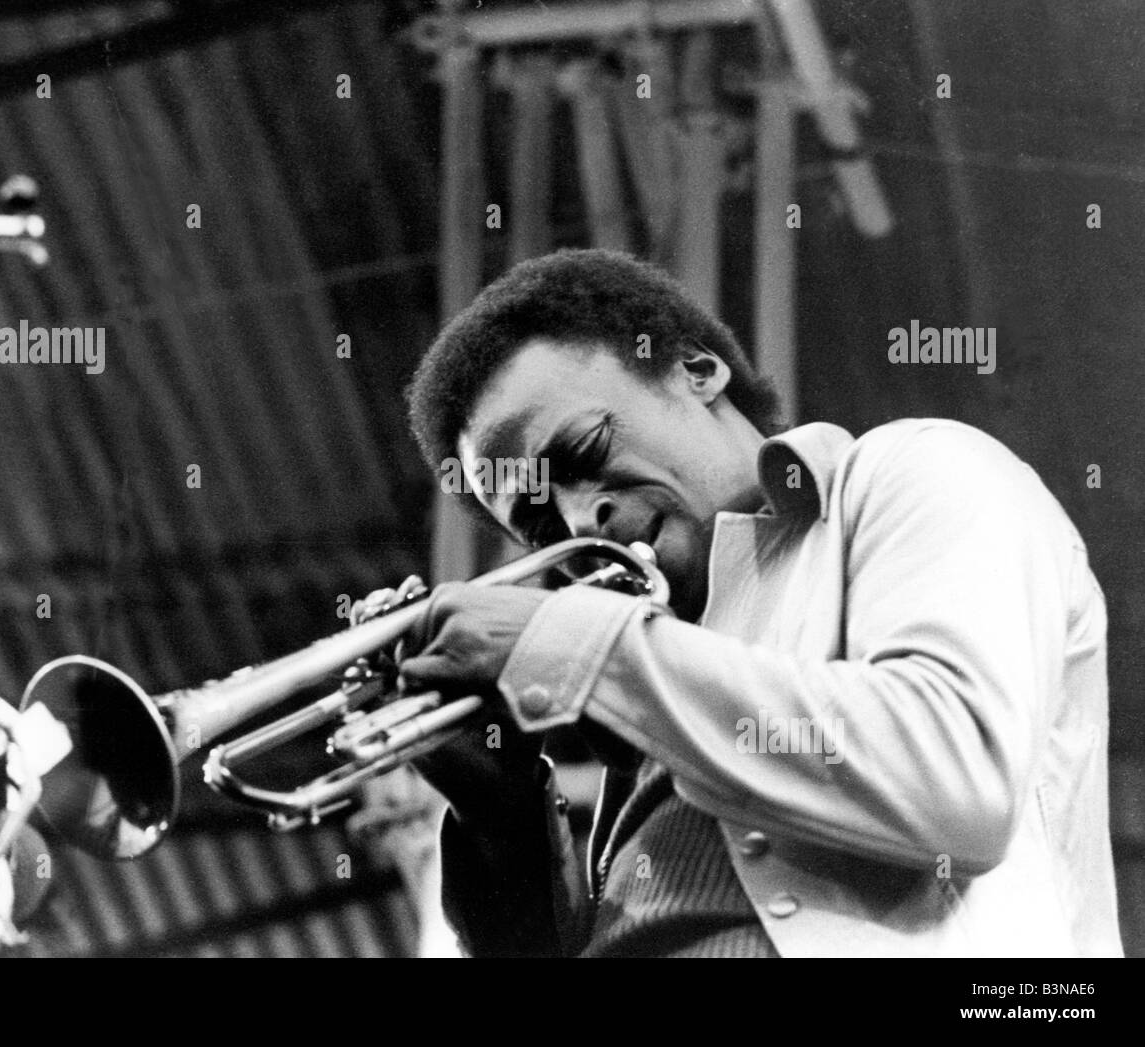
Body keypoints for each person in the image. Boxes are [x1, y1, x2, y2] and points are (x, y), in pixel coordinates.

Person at [383, 247, 1121, 957]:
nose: (580, 523)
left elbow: (960, 778)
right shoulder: (658, 686)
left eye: (581, 452)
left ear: (697, 371)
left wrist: (587, 650)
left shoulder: (914, 471)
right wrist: (497, 808)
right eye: (541, 522)